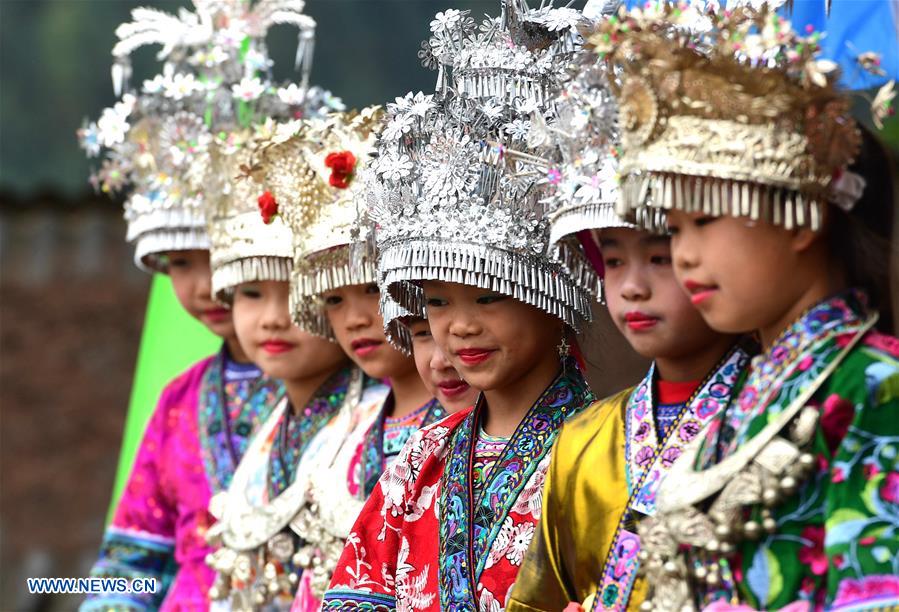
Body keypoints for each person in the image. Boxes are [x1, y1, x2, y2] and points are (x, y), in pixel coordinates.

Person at [603, 4, 899, 610]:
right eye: (674, 231)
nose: (684, 256)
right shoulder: (752, 387)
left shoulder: (876, 385)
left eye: (705, 220)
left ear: (802, 218)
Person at [321, 4, 599, 609]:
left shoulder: (603, 451)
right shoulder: (423, 454)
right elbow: (356, 591)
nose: (460, 326)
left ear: (549, 297)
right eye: (438, 302)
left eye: (489, 295)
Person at [76, 1, 327, 606]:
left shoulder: (353, 390)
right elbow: (134, 562)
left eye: (219, 256)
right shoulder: (179, 403)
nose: (204, 286)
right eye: (179, 264)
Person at [505, 52, 752, 611]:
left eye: (659, 257)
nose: (633, 288)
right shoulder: (582, 438)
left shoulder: (775, 410)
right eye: (614, 262)